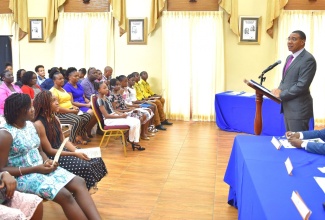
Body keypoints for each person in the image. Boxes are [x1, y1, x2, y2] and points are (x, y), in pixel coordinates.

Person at [0, 93, 101, 219]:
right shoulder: (5, 134)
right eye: (30, 107)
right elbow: (2, 169)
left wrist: (47, 161)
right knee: (65, 195)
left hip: (42, 169)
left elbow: (41, 151)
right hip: (22, 176)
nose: (34, 109)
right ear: (20, 110)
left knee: (79, 182)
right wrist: (37, 168)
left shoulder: (31, 126)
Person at [33, 91, 107, 190]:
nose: (57, 103)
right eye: (53, 101)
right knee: (84, 166)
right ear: (44, 104)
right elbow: (49, 150)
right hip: (53, 156)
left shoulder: (55, 118)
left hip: (62, 150)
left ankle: (83, 191)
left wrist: (76, 151)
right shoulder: (39, 124)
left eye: (56, 100)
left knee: (95, 159)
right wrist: (74, 154)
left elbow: (63, 140)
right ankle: (77, 191)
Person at [271, 30, 316, 132]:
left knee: (297, 142)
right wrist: (278, 90)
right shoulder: (289, 58)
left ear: (302, 42)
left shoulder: (308, 59)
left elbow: (302, 85)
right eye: (289, 39)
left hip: (299, 109)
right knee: (290, 141)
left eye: (294, 39)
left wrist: (282, 94)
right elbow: (285, 80)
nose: (289, 42)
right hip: (288, 107)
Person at [95, 81, 145, 151]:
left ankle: (134, 141)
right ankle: (132, 141)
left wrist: (121, 114)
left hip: (114, 116)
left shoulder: (106, 98)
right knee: (132, 124)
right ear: (99, 90)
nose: (107, 89)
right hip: (109, 120)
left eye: (107, 87)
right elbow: (106, 116)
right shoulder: (99, 100)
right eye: (104, 88)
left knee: (137, 121)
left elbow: (113, 110)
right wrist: (121, 117)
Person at [50, 72, 91, 145]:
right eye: (60, 79)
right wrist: (71, 111)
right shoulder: (53, 92)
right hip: (60, 114)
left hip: (70, 110)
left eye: (62, 78)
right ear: (54, 81)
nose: (62, 80)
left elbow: (69, 101)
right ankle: (71, 142)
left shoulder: (62, 89)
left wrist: (74, 107)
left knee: (87, 116)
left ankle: (79, 135)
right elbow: (57, 108)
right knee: (77, 120)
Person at [63, 67, 97, 137]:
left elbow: (84, 98)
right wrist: (86, 105)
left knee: (98, 111)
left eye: (78, 76)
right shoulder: (67, 87)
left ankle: (88, 129)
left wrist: (90, 102)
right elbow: (71, 102)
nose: (78, 77)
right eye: (75, 76)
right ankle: (82, 131)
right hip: (76, 106)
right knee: (91, 112)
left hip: (83, 104)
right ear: (69, 77)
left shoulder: (79, 85)